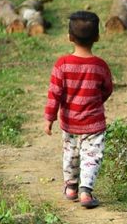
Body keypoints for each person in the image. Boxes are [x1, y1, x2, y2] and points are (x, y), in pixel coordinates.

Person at [44, 11, 114, 209]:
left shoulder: (62, 64)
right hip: (94, 124)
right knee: (91, 156)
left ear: (69, 37)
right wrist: (96, 101)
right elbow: (107, 89)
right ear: (97, 37)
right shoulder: (100, 66)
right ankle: (86, 192)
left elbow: (54, 94)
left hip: (69, 122)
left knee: (71, 154)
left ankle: (70, 188)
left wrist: (49, 118)